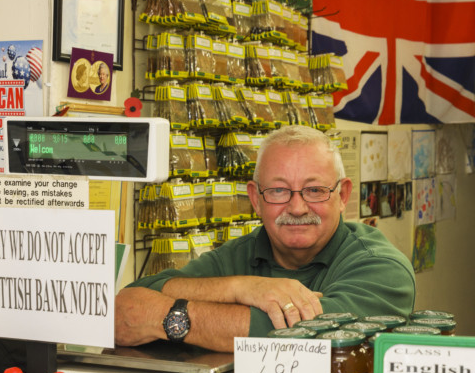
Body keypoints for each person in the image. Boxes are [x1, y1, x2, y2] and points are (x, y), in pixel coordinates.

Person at [116, 126, 415, 352]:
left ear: (343, 196)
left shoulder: (383, 269)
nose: (297, 208)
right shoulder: (239, 255)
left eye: (314, 190)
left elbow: (299, 336)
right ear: (255, 200)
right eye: (278, 191)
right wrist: (240, 287)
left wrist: (167, 317)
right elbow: (127, 306)